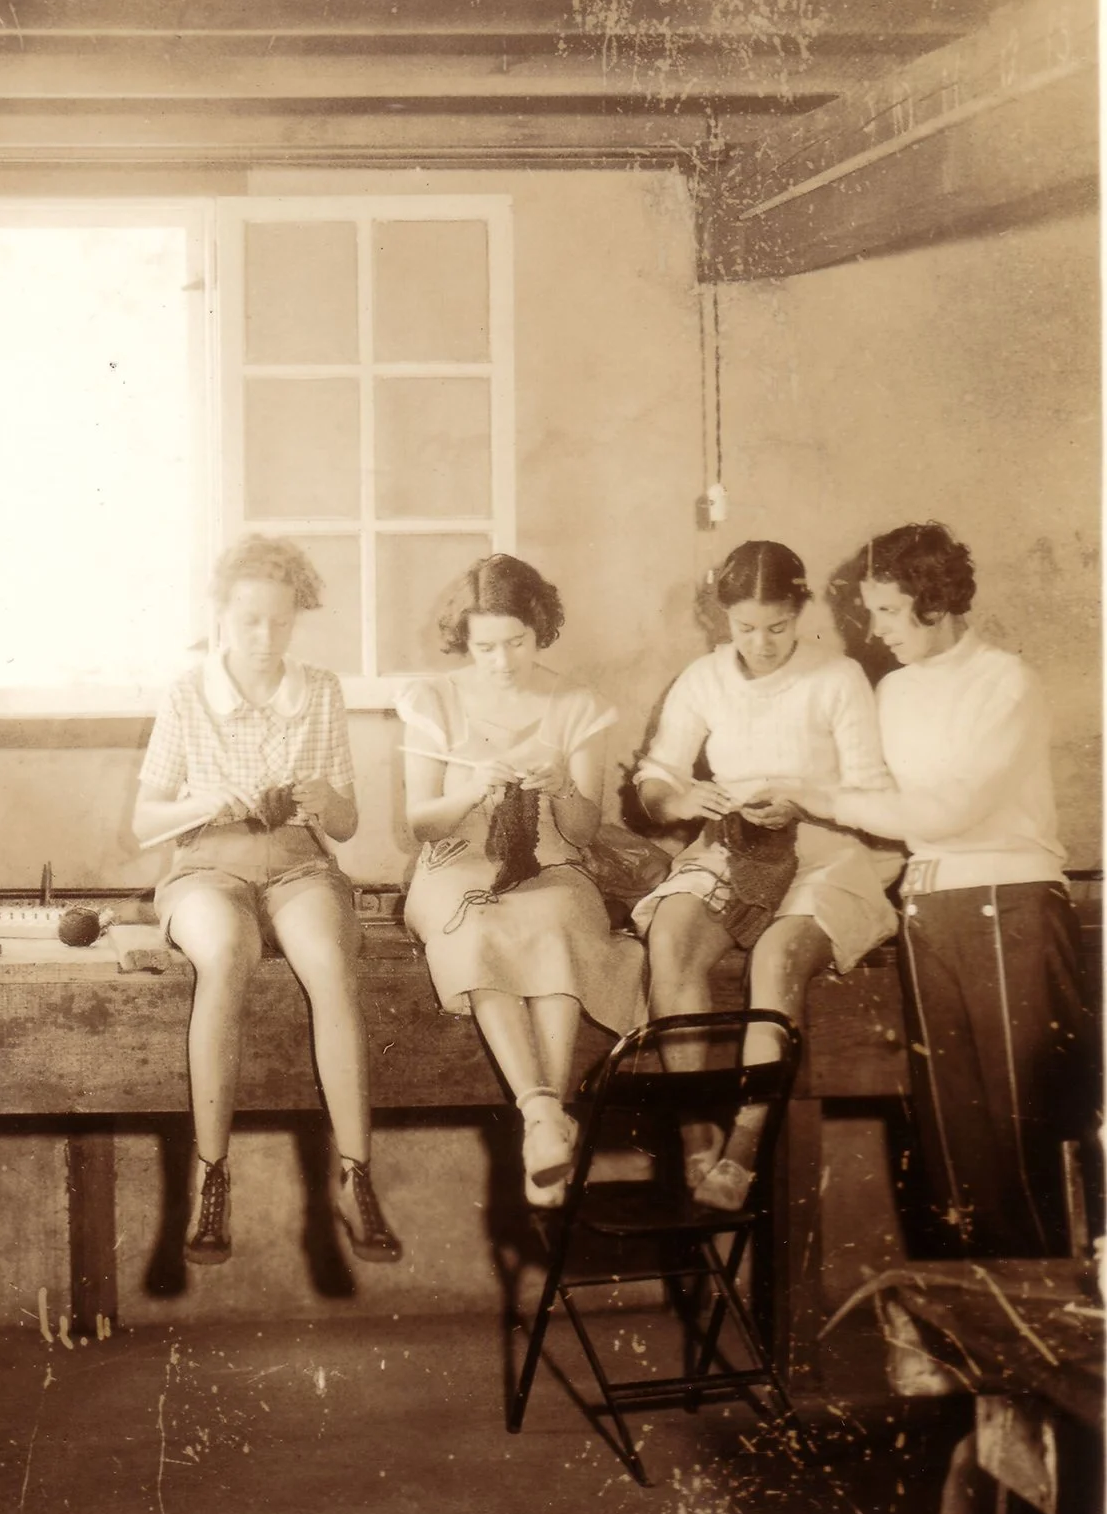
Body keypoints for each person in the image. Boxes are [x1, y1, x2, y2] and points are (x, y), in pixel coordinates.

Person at [760, 523, 1097, 1259]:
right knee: (954, 1145)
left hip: (1010, 911)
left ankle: (1054, 1355)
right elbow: (870, 800)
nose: (875, 632)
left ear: (935, 602)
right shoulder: (895, 690)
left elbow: (947, 813)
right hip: (928, 913)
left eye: (886, 611)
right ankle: (978, 1345)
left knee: (1028, 1138)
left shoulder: (1006, 681)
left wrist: (822, 796)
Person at [131, 535, 397, 1267]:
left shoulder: (320, 689)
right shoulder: (189, 692)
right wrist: (205, 800)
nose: (265, 638)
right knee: (225, 954)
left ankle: (356, 1175)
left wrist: (323, 798)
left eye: (280, 623)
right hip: (207, 866)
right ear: (221, 615)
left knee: (329, 964)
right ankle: (211, 1175)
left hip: (298, 865)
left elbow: (344, 824)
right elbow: (143, 820)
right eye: (249, 621)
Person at [633, 541, 902, 1209]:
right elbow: (657, 776)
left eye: (777, 626)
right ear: (723, 617)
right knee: (671, 935)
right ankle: (697, 1134)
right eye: (744, 627)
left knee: (780, 953)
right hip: (736, 848)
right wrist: (680, 799)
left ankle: (743, 1149)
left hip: (825, 847)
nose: (761, 643)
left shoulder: (836, 678)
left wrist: (801, 799)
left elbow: (872, 794)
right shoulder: (703, 678)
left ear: (799, 609)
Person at [399, 554, 644, 1209]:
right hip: (456, 865)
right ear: (464, 641)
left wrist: (563, 785)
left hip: (551, 864)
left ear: (541, 632)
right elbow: (420, 822)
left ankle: (543, 1120)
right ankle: (544, 1114)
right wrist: (470, 793)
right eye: (485, 647)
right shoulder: (434, 698)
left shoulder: (578, 704)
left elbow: (586, 830)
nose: (502, 661)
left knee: (560, 922)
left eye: (517, 643)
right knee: (479, 925)